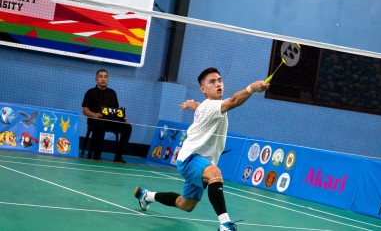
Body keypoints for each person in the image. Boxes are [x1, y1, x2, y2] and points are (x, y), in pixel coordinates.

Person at [134, 67, 269, 231]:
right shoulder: (213, 106)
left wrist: (191, 104)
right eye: (212, 82)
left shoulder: (205, 106)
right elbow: (233, 101)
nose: (218, 84)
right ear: (203, 89)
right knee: (215, 174)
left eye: (219, 80)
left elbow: (198, 106)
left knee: (186, 204)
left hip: (199, 161)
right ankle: (225, 224)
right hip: (190, 159)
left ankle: (146, 195)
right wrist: (252, 88)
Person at [82, 69, 132, 163]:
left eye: (105, 77)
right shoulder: (90, 92)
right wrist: (94, 115)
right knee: (101, 124)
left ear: (108, 79)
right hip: (96, 120)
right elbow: (85, 110)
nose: (103, 79)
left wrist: (122, 118)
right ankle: (96, 155)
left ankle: (118, 156)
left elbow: (116, 111)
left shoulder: (112, 93)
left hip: (111, 121)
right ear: (96, 79)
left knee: (127, 127)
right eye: (100, 77)